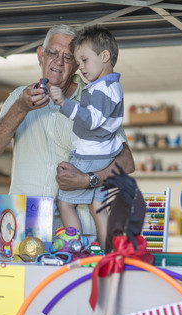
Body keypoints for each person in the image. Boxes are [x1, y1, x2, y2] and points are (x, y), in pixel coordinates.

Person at [0, 25, 134, 250]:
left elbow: (126, 162)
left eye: (68, 57)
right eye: (53, 53)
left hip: (79, 230)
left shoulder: (94, 95)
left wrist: (88, 180)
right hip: (23, 225)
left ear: (77, 64)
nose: (59, 62)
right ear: (40, 55)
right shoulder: (19, 97)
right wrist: (20, 108)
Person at [49, 25, 123, 248]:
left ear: (104, 56)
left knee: (64, 203)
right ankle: (107, 251)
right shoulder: (109, 87)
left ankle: (74, 247)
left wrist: (64, 102)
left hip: (89, 154)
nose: (80, 67)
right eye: (78, 63)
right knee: (98, 207)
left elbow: (91, 120)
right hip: (103, 155)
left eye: (84, 60)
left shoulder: (103, 89)